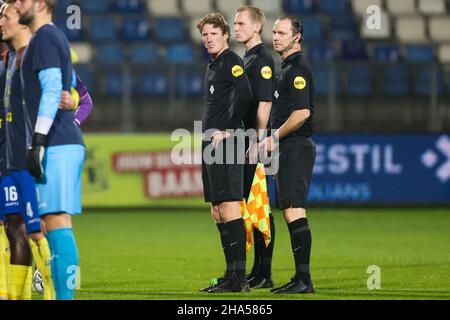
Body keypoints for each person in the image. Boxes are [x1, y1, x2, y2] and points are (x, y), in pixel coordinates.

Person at [15, 0, 85, 300]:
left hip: (56, 141)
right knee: (50, 222)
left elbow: (55, 88)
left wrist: (39, 140)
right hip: (59, 140)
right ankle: (61, 296)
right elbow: (68, 87)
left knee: (56, 220)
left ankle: (66, 297)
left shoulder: (44, 37)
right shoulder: (49, 37)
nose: (18, 4)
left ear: (41, 4)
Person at [259, 16, 316, 294]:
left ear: (297, 37)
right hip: (286, 146)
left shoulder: (298, 69)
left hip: (295, 146)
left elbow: (302, 113)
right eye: (274, 32)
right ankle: (300, 279)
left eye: (282, 32)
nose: (276, 37)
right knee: (289, 211)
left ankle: (304, 280)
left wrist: (274, 136)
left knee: (294, 210)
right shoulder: (286, 68)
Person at [197, 12, 253, 293]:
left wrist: (229, 130)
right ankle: (231, 275)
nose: (208, 39)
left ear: (225, 35)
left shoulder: (231, 61)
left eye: (213, 34)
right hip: (211, 143)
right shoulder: (213, 64)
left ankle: (240, 280)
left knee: (230, 207)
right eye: (205, 35)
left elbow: (245, 94)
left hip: (226, 143)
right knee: (217, 211)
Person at [233, 5, 276, 289]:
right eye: (234, 24)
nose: (236, 27)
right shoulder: (248, 58)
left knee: (259, 206)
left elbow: (264, 103)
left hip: (254, 143)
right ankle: (259, 271)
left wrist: (257, 142)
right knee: (252, 205)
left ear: (257, 27)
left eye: (241, 23)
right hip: (246, 140)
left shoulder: (260, 60)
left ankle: (264, 273)